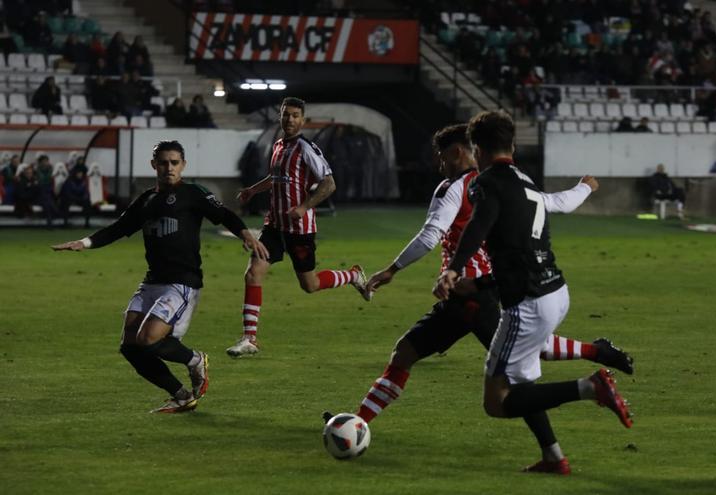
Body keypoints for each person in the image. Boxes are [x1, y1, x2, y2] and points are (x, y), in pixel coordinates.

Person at [327, 124, 633, 474]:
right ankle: (359, 422)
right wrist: (584, 187)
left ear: (461, 151)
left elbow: (432, 235)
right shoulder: (518, 181)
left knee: (509, 384)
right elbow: (556, 203)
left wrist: (394, 270)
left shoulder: (462, 186)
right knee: (409, 354)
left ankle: (581, 399)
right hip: (485, 292)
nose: (440, 165)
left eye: (443, 157)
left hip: (473, 298)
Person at [433, 111, 633, 474]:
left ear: (477, 149)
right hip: (554, 292)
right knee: (524, 382)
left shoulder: (486, 182)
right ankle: (555, 458)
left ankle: (590, 388)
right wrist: (477, 283)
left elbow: (479, 228)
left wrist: (453, 267)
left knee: (497, 401)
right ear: (513, 144)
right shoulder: (525, 181)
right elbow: (516, 247)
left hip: (527, 303)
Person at [52, 140, 269, 413]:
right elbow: (118, 229)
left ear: (183, 165)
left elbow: (223, 214)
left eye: (175, 163)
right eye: (164, 162)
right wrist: (83, 243)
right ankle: (181, 396)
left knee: (148, 340)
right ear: (154, 165)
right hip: (151, 282)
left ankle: (195, 360)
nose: (169, 168)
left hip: (182, 282)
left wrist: (245, 233)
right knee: (130, 347)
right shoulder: (145, 200)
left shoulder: (192, 193)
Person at [225, 97, 370, 357]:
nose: (289, 119)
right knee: (253, 273)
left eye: (294, 115)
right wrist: (252, 190)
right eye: (285, 114)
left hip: (300, 229)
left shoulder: (306, 148)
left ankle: (353, 275)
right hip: (274, 225)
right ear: (280, 117)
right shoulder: (279, 145)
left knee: (310, 284)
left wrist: (303, 207)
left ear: (302, 120)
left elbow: (329, 183)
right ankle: (250, 339)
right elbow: (276, 178)